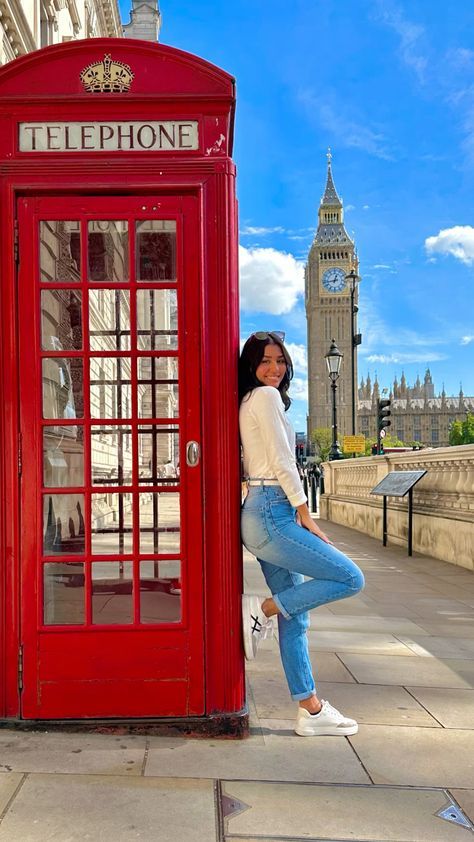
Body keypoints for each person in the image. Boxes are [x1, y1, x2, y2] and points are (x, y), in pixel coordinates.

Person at [239, 331, 365, 737]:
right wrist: (303, 511)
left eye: (280, 360)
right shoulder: (266, 397)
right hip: (274, 512)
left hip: (255, 515)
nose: (274, 368)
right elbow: (280, 459)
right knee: (349, 577)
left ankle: (310, 710)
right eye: (265, 361)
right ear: (251, 366)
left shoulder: (247, 400)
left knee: (299, 616)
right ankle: (263, 610)